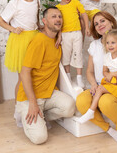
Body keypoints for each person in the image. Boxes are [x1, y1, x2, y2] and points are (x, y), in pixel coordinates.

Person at [75, 11, 117, 145]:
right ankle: (110, 131)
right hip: (102, 87)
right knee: (81, 101)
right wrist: (93, 84)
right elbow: (89, 71)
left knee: (105, 102)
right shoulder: (94, 46)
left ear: (111, 22)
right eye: (95, 24)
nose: (99, 25)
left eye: (102, 21)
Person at [15, 7, 75, 144]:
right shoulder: (39, 41)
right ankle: (25, 114)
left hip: (48, 94)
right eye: (53, 16)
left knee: (70, 107)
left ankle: (41, 117)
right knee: (40, 138)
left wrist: (60, 34)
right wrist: (32, 102)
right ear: (44, 21)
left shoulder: (57, 41)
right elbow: (24, 72)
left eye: (60, 16)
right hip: (29, 97)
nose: (58, 19)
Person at [0, 0, 41, 127]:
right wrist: (12, 28)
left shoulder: (36, 1)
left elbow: (34, 21)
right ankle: (18, 111)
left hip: (34, 38)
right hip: (21, 39)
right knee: (23, 78)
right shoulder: (15, 2)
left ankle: (35, 108)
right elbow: (1, 20)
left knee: (34, 76)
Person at [77, 29, 117, 124]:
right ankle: (92, 111)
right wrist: (107, 75)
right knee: (99, 89)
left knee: (100, 89)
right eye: (108, 43)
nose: (110, 45)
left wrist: (112, 74)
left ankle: (91, 111)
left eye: (113, 43)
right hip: (111, 82)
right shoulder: (107, 57)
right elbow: (104, 71)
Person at [56, 0, 90, 88]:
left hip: (77, 33)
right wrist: (59, 36)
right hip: (65, 35)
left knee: (78, 53)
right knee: (66, 55)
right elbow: (58, 23)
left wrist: (87, 27)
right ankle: (68, 76)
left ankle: (79, 77)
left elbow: (84, 14)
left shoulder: (76, 3)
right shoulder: (58, 8)